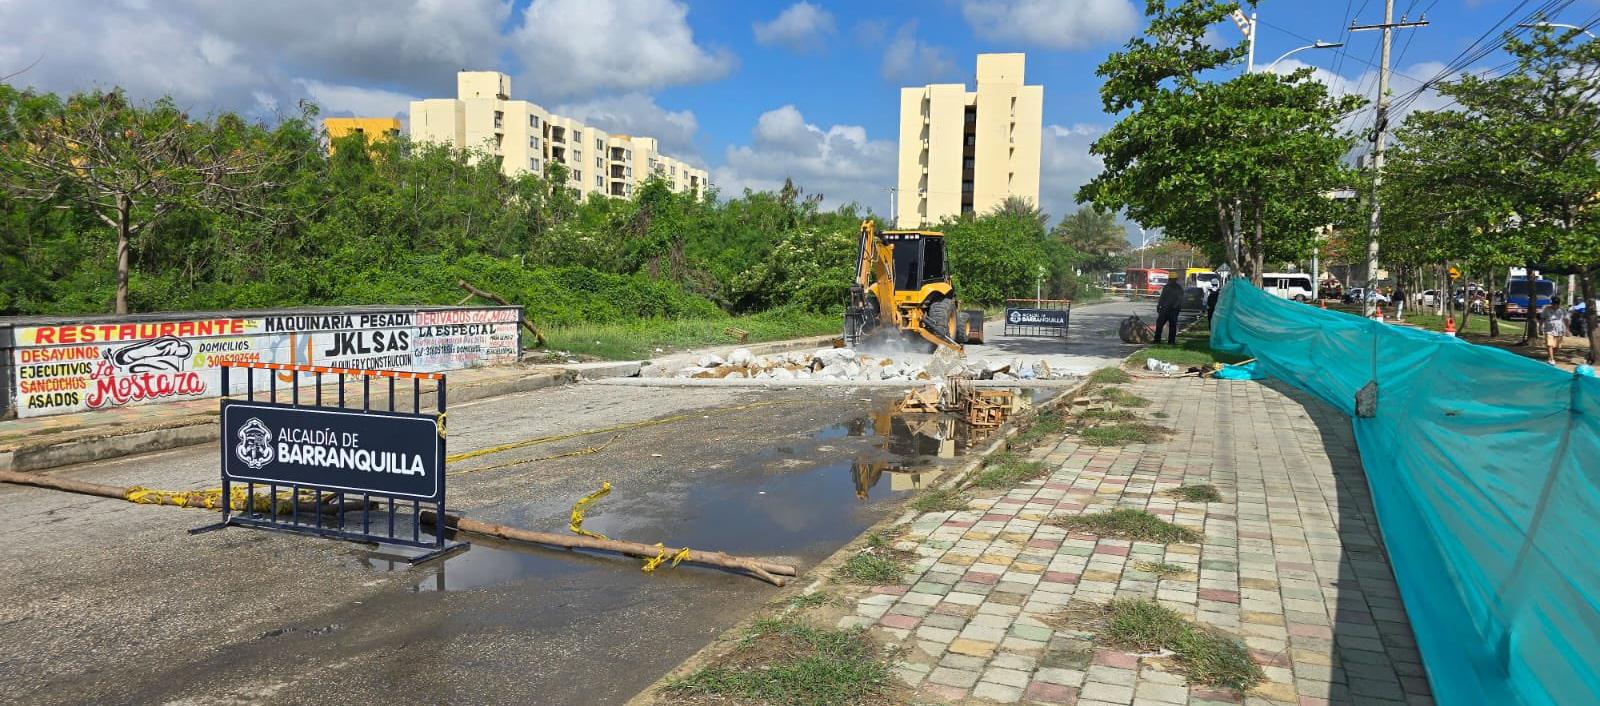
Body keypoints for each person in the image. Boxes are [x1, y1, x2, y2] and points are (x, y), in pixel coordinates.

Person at [1155, 278, 1184, 344]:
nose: (1170, 281)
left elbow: (1162, 297)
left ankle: (1157, 340)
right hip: (1170, 310)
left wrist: (1159, 306)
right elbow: (1179, 299)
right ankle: (1170, 341)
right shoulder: (1178, 288)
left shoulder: (1168, 287)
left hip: (1167, 309)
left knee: (1161, 325)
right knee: (1171, 326)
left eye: (1170, 279)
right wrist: (1159, 305)